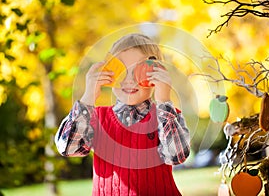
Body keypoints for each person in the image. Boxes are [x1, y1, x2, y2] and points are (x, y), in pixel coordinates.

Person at [55, 33, 190, 196]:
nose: (129, 80)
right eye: (121, 71)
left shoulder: (166, 116)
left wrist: (163, 99)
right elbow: (69, 148)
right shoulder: (96, 117)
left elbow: (177, 156)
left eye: (139, 71)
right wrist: (88, 97)